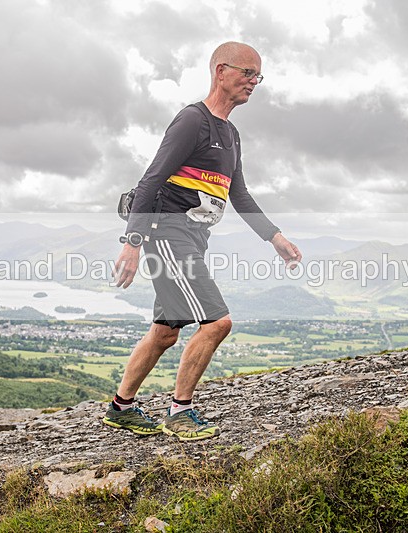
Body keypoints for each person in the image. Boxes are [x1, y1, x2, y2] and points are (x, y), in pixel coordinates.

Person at [104, 41, 302, 441]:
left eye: (258, 76)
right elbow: (150, 181)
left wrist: (274, 237)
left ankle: (121, 408)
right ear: (220, 71)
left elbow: (239, 194)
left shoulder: (231, 134)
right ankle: (180, 411)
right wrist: (133, 242)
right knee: (217, 321)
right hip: (168, 233)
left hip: (192, 238)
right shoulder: (192, 121)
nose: (254, 82)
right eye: (247, 73)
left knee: (166, 330)